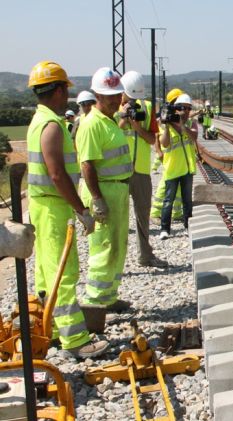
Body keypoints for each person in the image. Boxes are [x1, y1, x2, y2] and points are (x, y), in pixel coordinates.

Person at [25, 60, 106, 359]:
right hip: (54, 207)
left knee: (47, 274)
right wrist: (82, 210)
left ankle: (54, 330)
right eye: (65, 90)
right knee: (65, 272)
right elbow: (57, 174)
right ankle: (75, 341)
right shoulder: (52, 126)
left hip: (43, 206)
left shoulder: (38, 121)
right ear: (58, 90)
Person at [76, 67, 134, 312]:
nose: (115, 100)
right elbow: (87, 163)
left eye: (117, 95)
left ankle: (109, 297)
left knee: (118, 245)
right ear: (98, 95)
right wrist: (97, 199)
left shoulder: (110, 121)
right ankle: (94, 303)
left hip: (118, 190)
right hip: (103, 192)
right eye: (111, 96)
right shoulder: (91, 124)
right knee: (103, 248)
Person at [118, 71, 167, 268]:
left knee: (142, 215)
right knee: (118, 218)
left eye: (136, 98)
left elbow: (152, 140)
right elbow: (111, 133)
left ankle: (145, 256)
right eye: (130, 98)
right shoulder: (112, 108)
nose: (133, 102)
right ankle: (115, 261)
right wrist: (123, 118)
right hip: (118, 171)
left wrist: (137, 127)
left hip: (140, 170)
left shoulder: (146, 108)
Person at [158, 93, 198, 240]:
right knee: (168, 200)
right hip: (172, 169)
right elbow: (164, 143)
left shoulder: (190, 123)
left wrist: (182, 125)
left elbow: (194, 137)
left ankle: (188, 226)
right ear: (176, 109)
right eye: (183, 108)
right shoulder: (166, 123)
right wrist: (168, 126)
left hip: (187, 169)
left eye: (188, 108)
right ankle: (164, 228)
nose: (186, 112)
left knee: (187, 201)